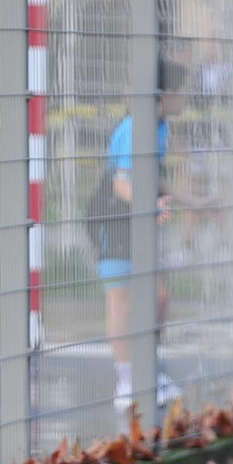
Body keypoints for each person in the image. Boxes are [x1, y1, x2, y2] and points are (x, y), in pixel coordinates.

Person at [87, 60, 194, 412]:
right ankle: (127, 379)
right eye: (182, 90)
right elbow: (122, 185)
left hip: (139, 214)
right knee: (123, 300)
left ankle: (149, 368)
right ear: (166, 94)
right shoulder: (135, 128)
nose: (186, 96)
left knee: (158, 295)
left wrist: (196, 202)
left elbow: (152, 175)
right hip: (113, 217)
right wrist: (150, 205)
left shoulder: (161, 127)